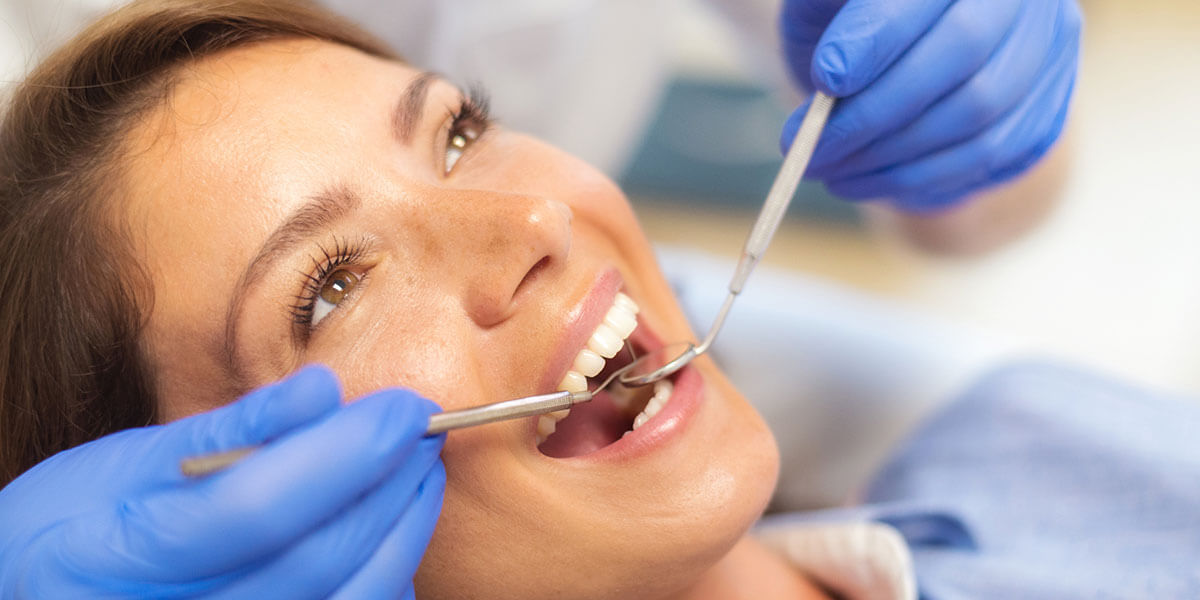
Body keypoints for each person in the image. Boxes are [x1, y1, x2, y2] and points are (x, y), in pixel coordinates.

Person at [0, 0, 1130, 598]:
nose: (540, 223)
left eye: (460, 130)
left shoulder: (1066, 472)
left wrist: (963, 100)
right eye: (333, 284)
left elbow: (988, 190)